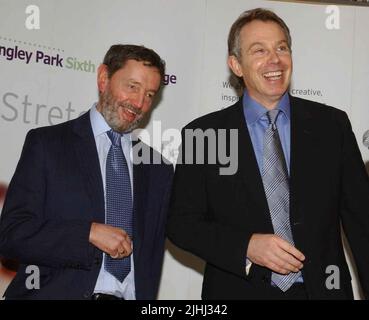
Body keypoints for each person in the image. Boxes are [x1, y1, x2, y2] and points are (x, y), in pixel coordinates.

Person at [167, 8, 369, 299]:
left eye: (281, 48)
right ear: (236, 65)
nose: (274, 59)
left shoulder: (332, 126)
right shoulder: (204, 133)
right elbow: (182, 224)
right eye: (259, 50)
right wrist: (246, 246)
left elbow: (362, 221)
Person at [0, 44, 173, 300]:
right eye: (132, 87)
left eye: (149, 94)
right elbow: (12, 234)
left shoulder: (158, 169)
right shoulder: (48, 144)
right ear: (103, 78)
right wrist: (88, 233)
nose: (139, 103)